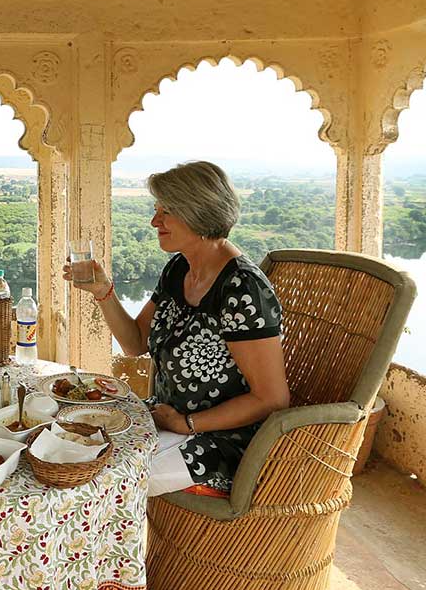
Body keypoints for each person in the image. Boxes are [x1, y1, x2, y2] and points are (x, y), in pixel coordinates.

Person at [65, 160, 290, 498]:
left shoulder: (242, 290)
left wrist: (187, 425)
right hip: (165, 420)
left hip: (223, 442)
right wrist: (104, 291)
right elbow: (135, 342)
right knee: (70, 444)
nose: (155, 221)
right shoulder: (178, 269)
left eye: (166, 212)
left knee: (100, 482)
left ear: (197, 213)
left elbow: (272, 399)